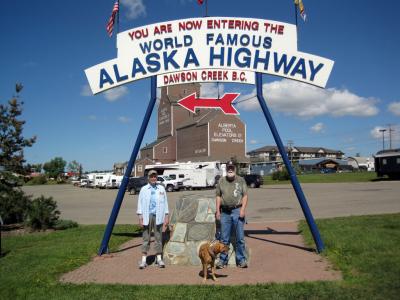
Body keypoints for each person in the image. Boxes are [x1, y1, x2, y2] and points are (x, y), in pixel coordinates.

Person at [215, 160, 248, 268]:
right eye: (228, 167)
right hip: (224, 212)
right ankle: (222, 261)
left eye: (232, 167)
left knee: (240, 238)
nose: (230, 169)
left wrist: (243, 209)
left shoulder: (241, 180)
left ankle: (241, 260)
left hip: (237, 210)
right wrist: (218, 211)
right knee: (224, 239)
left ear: (235, 168)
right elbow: (218, 196)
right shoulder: (221, 181)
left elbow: (245, 195)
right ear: (226, 169)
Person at [137, 170, 169, 269]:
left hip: (158, 216)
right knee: (146, 238)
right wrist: (140, 218)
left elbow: (165, 203)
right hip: (147, 216)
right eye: (151, 176)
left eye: (155, 176)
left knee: (158, 238)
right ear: (148, 178)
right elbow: (140, 204)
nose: (153, 178)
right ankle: (143, 260)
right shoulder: (144, 189)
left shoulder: (161, 189)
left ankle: (159, 259)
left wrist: (166, 217)